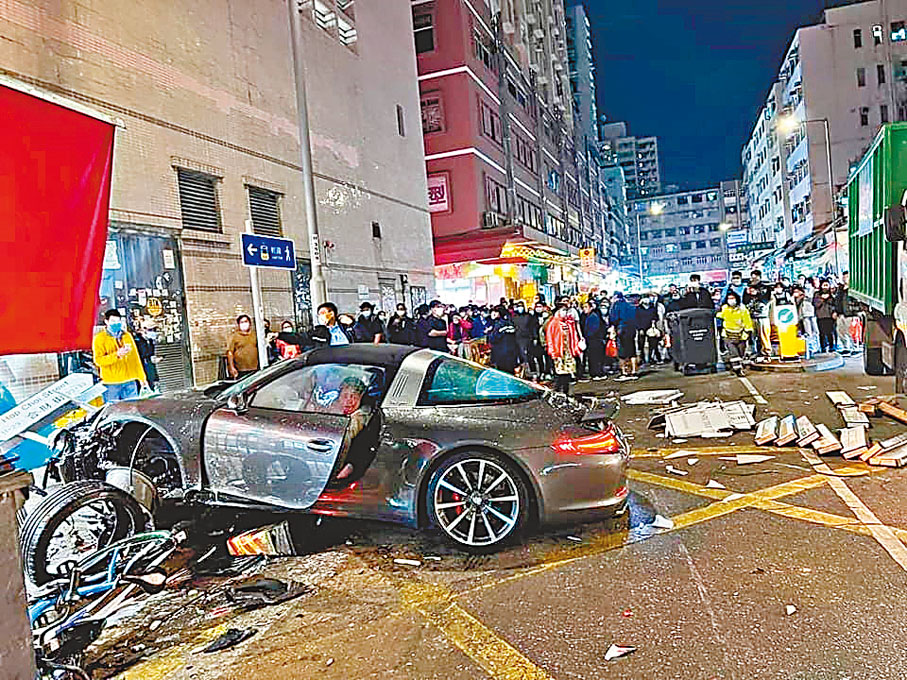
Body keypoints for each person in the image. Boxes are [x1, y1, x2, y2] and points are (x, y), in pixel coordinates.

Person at [93, 309, 148, 402]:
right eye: (113, 321)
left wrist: (142, 377)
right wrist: (117, 355)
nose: (116, 323)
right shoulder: (100, 338)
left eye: (118, 321)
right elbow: (98, 360)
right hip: (111, 382)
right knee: (113, 410)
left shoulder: (127, 336)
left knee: (132, 409)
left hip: (130, 380)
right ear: (107, 322)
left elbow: (135, 358)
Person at [546, 301, 583, 393]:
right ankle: (557, 391)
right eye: (562, 310)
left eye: (565, 310)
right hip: (558, 351)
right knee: (560, 373)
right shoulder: (553, 323)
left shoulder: (569, 323)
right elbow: (550, 338)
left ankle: (565, 391)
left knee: (567, 372)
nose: (564, 313)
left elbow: (573, 336)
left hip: (568, 352)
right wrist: (552, 351)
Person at [716, 291, 753, 375]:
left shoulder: (743, 310)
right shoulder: (725, 308)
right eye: (729, 299)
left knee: (740, 354)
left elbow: (747, 322)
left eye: (732, 298)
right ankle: (738, 370)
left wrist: (747, 333)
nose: (731, 300)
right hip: (728, 335)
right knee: (734, 354)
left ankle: (735, 367)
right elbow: (719, 315)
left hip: (740, 335)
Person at [609, 292, 638, 379]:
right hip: (631, 330)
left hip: (621, 329)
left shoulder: (616, 305)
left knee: (622, 352)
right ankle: (633, 371)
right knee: (632, 351)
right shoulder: (630, 305)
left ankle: (624, 372)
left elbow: (613, 318)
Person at [487, 306, 519, 373]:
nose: (493, 314)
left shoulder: (499, 325)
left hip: (501, 354)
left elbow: (493, 338)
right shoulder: (510, 323)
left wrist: (489, 332)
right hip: (511, 353)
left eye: (495, 312)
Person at [226, 314, 259, 379]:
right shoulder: (234, 336)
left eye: (246, 322)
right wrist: (231, 367)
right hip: (241, 369)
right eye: (242, 322)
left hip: (255, 368)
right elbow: (230, 352)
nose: (244, 324)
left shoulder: (255, 335)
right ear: (238, 324)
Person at [512, 301, 540, 376]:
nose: (520, 308)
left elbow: (533, 327)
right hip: (518, 338)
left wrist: (535, 337)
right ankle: (523, 372)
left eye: (521, 306)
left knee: (529, 355)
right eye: (518, 306)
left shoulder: (528, 316)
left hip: (528, 337)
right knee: (521, 355)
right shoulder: (514, 317)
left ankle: (533, 370)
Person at [132, 322, 160, 392]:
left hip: (150, 371)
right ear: (143, 330)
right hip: (141, 373)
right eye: (150, 330)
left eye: (154, 329)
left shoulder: (150, 341)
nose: (153, 332)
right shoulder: (137, 341)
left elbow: (150, 355)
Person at [793, 285, 819, 358]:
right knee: (808, 333)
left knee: (815, 332)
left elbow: (813, 300)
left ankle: (816, 347)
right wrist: (798, 298)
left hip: (812, 314)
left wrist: (805, 295)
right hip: (803, 316)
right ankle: (810, 348)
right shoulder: (797, 299)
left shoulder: (810, 293)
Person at [581, 300, 605, 379]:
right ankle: (594, 373)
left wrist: (587, 336)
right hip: (591, 340)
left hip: (595, 340)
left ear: (591, 308)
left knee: (595, 357)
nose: (584, 309)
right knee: (592, 357)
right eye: (583, 307)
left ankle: (597, 373)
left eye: (586, 307)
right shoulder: (586, 316)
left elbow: (594, 329)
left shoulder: (593, 316)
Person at [835, 272, 857, 356]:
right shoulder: (840, 289)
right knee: (840, 331)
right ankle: (845, 347)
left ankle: (854, 347)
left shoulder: (853, 289)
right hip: (841, 314)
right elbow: (837, 300)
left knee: (851, 332)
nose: (845, 279)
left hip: (850, 314)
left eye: (847, 277)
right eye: (844, 277)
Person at [813, 279, 837, 353]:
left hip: (830, 316)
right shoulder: (817, 294)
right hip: (820, 316)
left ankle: (831, 346)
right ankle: (823, 347)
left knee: (830, 332)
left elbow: (836, 304)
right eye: (824, 285)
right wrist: (822, 299)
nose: (825, 287)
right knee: (822, 333)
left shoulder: (832, 295)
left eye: (827, 285)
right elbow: (815, 304)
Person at [635, 295, 658, 366]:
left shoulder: (652, 308)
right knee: (641, 344)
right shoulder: (638, 309)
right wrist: (639, 329)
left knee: (652, 344)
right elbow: (636, 319)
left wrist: (654, 323)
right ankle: (642, 359)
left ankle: (651, 358)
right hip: (642, 328)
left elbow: (656, 317)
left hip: (651, 328)